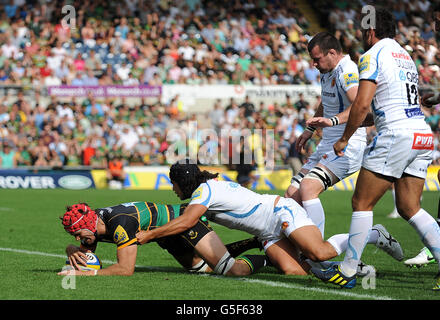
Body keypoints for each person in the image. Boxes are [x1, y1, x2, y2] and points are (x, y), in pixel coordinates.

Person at [312, 7, 440, 290]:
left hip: (396, 135)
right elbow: (379, 108)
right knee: (410, 207)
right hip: (420, 133)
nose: (360, 35)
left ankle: (347, 270)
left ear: (370, 31)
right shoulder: (404, 55)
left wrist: (344, 138)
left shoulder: (372, 55)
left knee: (361, 203)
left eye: (361, 30)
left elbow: (362, 104)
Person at [136, 161, 403, 277]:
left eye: (174, 184)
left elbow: (187, 222)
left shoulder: (204, 191)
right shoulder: (207, 188)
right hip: (268, 232)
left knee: (319, 253)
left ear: (183, 182)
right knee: (296, 271)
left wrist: (150, 234)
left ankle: (373, 234)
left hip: (280, 213)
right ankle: (357, 269)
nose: (173, 189)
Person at [285, 32, 370, 239]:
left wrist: (331, 122)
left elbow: (360, 107)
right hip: (327, 143)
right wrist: (310, 130)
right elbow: (327, 102)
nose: (313, 64)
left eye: (316, 59)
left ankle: (316, 250)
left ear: (332, 53)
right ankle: (299, 246)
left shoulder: (347, 71)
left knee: (308, 188)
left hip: (347, 144)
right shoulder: (327, 71)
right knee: (291, 195)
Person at [57, 202, 265, 276]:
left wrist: (89, 275)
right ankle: (255, 242)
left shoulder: (119, 223)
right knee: (201, 267)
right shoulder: (94, 223)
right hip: (164, 235)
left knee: (224, 270)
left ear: (89, 224)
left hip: (182, 221)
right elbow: (88, 254)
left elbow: (125, 270)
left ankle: (267, 258)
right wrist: (70, 248)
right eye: (73, 236)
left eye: (77, 233)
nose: (77, 238)